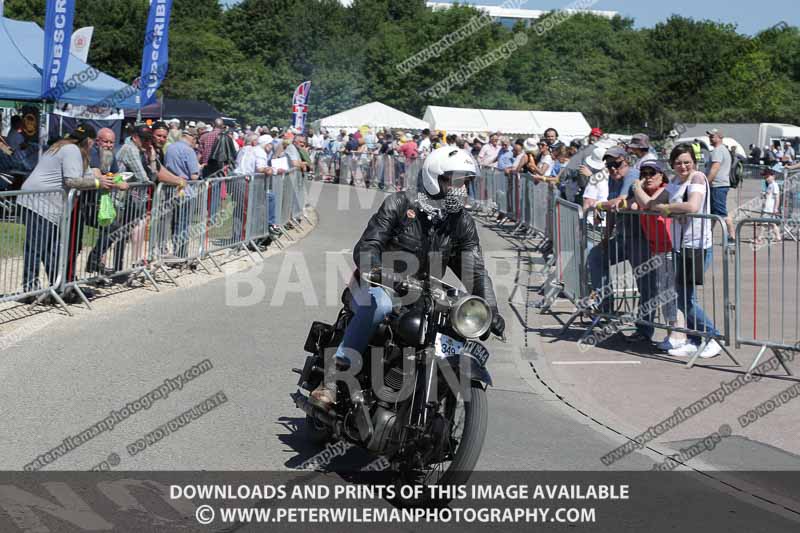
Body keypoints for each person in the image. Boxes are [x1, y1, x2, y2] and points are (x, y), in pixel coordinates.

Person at [309, 146, 506, 407]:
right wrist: (377, 269)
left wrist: (491, 309)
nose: (462, 190)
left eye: (466, 183)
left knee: (449, 329)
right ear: (435, 179)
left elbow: (475, 269)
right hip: (376, 285)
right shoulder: (401, 203)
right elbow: (368, 245)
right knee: (380, 306)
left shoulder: (461, 222)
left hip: (421, 296)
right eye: (456, 181)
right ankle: (334, 377)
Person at [19, 124, 126, 295]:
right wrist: (99, 183)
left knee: (51, 248)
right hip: (38, 202)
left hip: (43, 202)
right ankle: (31, 289)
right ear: (90, 141)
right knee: (36, 248)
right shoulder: (72, 150)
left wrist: (109, 180)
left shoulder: (66, 147)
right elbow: (73, 181)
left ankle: (61, 286)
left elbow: (88, 174)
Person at [650, 144, 721, 359]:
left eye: (687, 161)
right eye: (679, 162)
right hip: (680, 245)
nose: (683, 166)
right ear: (672, 164)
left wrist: (668, 209)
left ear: (694, 162)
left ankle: (713, 336)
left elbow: (692, 206)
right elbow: (654, 204)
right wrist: (637, 191)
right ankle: (694, 339)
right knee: (682, 296)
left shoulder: (698, 179)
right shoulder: (674, 182)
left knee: (685, 300)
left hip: (697, 246)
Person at [629, 160, 687, 351]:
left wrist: (636, 188)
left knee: (671, 294)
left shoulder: (665, 191)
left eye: (652, 173)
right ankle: (674, 336)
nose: (647, 177)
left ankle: (679, 336)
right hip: (658, 250)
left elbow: (648, 205)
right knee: (665, 294)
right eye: (643, 173)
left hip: (670, 248)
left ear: (662, 175)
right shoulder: (645, 193)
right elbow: (634, 204)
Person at [705, 128, 735, 244]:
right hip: (719, 185)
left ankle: (732, 235)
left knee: (721, 212)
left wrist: (706, 182)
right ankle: (708, 234)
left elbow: (715, 168)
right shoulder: (723, 150)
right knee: (713, 213)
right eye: (710, 136)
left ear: (719, 137)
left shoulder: (718, 150)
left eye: (712, 136)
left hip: (717, 185)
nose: (710, 138)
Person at [756, 164, 782, 244]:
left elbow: (777, 197)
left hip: (769, 208)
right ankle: (778, 237)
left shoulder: (774, 185)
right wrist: (764, 194)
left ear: (773, 176)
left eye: (767, 177)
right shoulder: (770, 185)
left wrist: (776, 208)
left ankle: (759, 238)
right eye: (765, 177)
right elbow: (769, 195)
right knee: (772, 223)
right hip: (767, 207)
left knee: (764, 223)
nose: (766, 179)